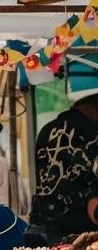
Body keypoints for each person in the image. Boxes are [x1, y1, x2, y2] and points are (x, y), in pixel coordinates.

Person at [32, 92, 98, 241]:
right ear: (92, 108)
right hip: (81, 226)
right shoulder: (92, 133)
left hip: (44, 221)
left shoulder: (46, 130)